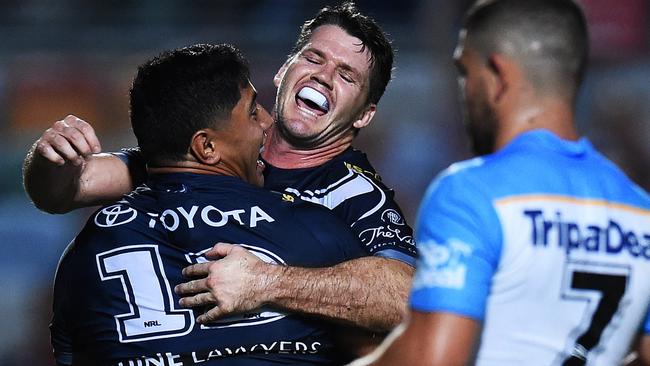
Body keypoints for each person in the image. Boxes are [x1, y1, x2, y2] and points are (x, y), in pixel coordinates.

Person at [23, 1, 415, 349]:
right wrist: (50, 157)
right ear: (283, 71)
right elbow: (66, 189)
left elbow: (407, 298)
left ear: (364, 115)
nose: (323, 76)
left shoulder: (356, 194)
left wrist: (268, 283)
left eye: (347, 75)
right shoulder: (218, 144)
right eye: (314, 58)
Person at [350, 0, 650, 365]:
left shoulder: (471, 193)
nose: (462, 89)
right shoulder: (640, 210)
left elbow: (434, 358)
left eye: (464, 71)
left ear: (497, 72)